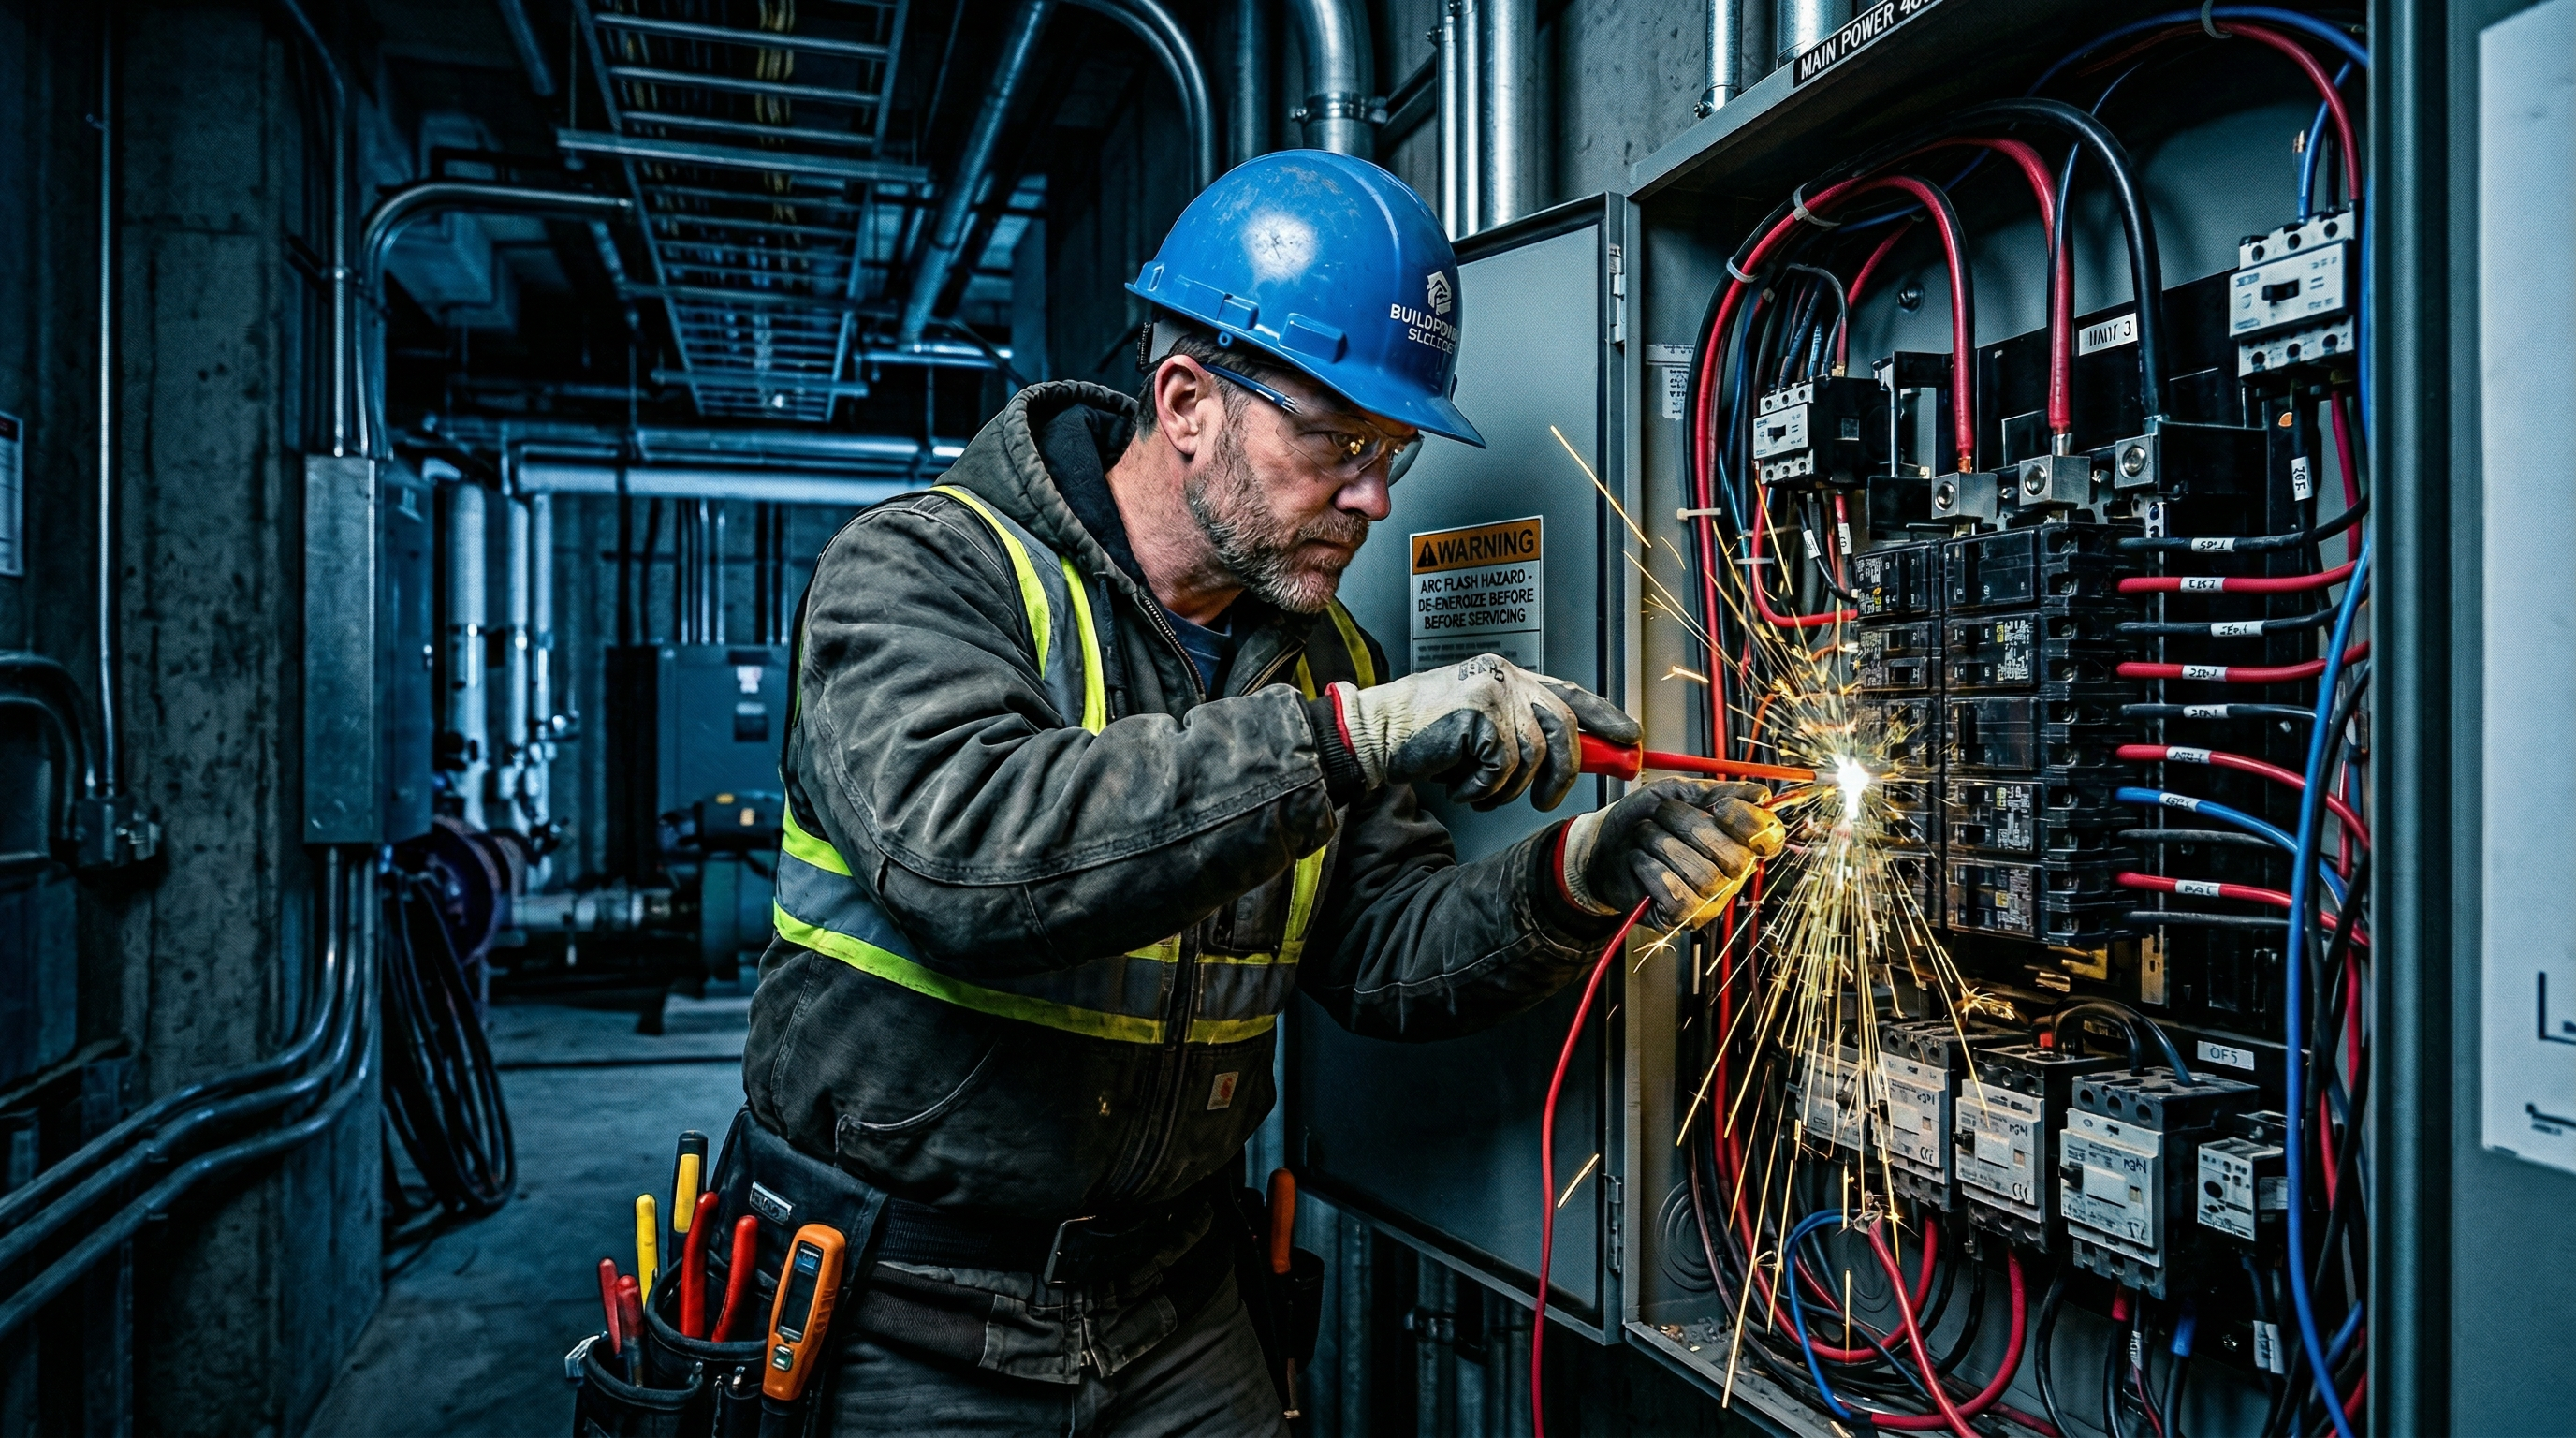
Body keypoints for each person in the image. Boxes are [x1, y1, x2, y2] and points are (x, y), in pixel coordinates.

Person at [739, 149, 1785, 1434]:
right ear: (1186, 401)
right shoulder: (919, 572)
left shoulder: (1325, 660)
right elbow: (972, 860)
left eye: (1391, 449)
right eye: (1338, 443)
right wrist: (1343, 740)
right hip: (906, 1312)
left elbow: (1380, 953)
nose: (1375, 500)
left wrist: (1579, 876)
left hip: (1174, 1299)